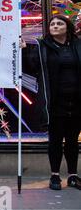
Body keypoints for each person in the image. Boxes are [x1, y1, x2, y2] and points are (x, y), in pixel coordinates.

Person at [21, 15, 81, 190]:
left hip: (76, 101)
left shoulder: (77, 46)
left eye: (59, 23)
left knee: (72, 140)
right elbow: (32, 68)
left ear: (67, 27)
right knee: (55, 139)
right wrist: (24, 51)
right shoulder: (42, 47)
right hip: (54, 101)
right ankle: (55, 175)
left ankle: (72, 175)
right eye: (52, 24)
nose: (55, 26)